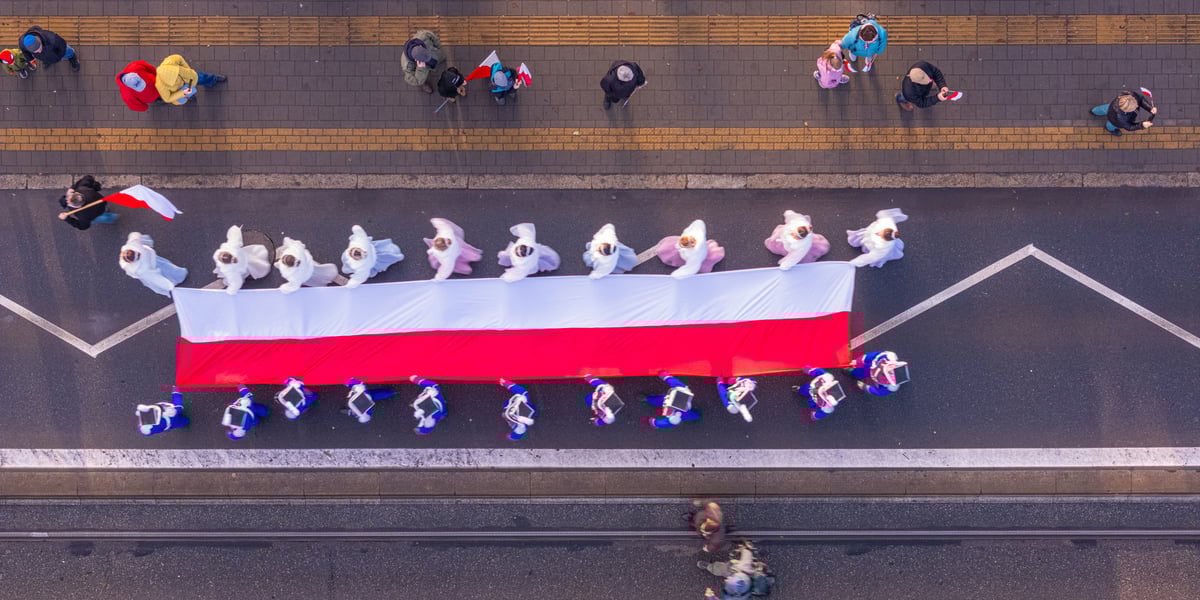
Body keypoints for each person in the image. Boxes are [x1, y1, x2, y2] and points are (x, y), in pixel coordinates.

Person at [119, 232, 188, 297]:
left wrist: (169, 286)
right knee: (166, 268)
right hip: (153, 261)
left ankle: (175, 279)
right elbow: (156, 279)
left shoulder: (139, 267)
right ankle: (178, 276)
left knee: (163, 270)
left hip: (151, 264)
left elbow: (156, 279)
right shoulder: (133, 247)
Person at [655, 220, 725, 279]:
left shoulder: (693, 255)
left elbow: (689, 269)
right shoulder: (696, 239)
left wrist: (677, 275)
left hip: (686, 255)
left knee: (669, 252)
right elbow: (698, 225)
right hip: (696, 252)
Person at [212, 225, 271, 295]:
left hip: (241, 268)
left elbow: (236, 282)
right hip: (244, 258)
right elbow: (235, 233)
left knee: (236, 277)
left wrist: (231, 290)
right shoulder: (232, 247)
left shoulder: (229, 270)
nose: (219, 254)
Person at [764, 210, 829, 270]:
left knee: (802, 259)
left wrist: (785, 265)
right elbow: (793, 216)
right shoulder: (798, 223)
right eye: (793, 233)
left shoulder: (802, 246)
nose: (792, 235)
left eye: (795, 236)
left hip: (791, 247)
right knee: (775, 241)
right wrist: (788, 213)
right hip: (784, 237)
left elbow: (794, 258)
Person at [155, 54, 225, 106]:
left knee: (203, 77)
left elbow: (179, 58)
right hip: (182, 89)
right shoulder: (160, 85)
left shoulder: (168, 63)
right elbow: (168, 98)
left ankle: (213, 79)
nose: (177, 78)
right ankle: (190, 97)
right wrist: (183, 93)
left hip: (191, 77)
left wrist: (188, 69)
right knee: (190, 92)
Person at [896, 61, 960, 111]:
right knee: (903, 97)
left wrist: (942, 86)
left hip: (923, 90)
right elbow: (922, 103)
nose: (930, 80)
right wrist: (937, 98)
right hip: (908, 95)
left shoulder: (923, 65)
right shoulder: (909, 92)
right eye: (925, 81)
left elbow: (936, 72)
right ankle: (900, 100)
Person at [1091, 89, 1156, 137]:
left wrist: (1150, 108)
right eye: (1134, 108)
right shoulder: (1121, 119)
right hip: (1114, 121)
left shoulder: (1127, 95)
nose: (1137, 106)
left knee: (1103, 109)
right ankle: (1110, 130)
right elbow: (1129, 127)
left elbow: (1140, 100)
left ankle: (1094, 111)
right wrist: (1141, 125)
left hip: (1110, 107)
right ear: (1126, 111)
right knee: (1110, 125)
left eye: (1136, 103)